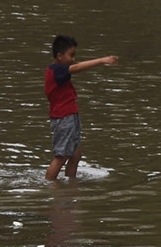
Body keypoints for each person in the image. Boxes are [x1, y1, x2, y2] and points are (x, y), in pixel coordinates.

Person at [44, 35, 117, 181]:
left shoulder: (58, 70)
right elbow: (76, 68)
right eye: (71, 55)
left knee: (76, 153)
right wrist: (102, 60)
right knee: (61, 156)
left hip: (70, 116)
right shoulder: (57, 70)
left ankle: (71, 183)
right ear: (59, 56)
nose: (73, 59)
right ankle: (50, 186)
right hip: (63, 117)